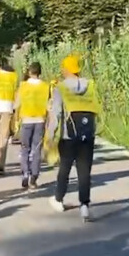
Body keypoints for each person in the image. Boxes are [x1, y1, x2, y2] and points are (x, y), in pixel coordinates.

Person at [47, 55, 101, 222]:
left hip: (68, 134)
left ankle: (58, 199)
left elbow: (56, 114)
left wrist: (50, 135)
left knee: (65, 168)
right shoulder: (91, 85)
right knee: (84, 171)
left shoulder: (61, 88)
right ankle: (84, 205)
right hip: (87, 133)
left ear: (67, 69)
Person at [15, 62, 51, 190]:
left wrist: (15, 119)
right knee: (36, 149)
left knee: (25, 148)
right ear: (39, 72)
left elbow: (17, 104)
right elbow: (49, 105)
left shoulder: (23, 86)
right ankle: (34, 178)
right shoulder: (46, 86)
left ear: (29, 72)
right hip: (40, 120)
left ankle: (25, 173)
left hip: (26, 120)